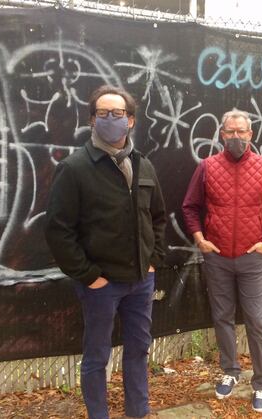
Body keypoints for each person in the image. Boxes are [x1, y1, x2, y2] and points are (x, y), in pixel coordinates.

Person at [45, 85, 166, 419]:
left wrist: (153, 261)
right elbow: (58, 230)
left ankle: (137, 412)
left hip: (141, 281)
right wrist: (89, 276)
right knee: (97, 356)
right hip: (101, 285)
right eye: (103, 114)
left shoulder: (144, 165)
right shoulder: (75, 168)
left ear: (131, 121)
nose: (111, 119)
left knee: (138, 350)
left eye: (118, 114)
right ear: (92, 120)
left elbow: (157, 218)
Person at [182, 109, 262, 413]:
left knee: (256, 319)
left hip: (252, 258)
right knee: (222, 316)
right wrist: (200, 239)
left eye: (242, 132)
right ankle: (229, 370)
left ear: (251, 135)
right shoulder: (207, 167)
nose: (236, 137)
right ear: (221, 134)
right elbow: (190, 207)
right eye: (230, 132)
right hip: (217, 258)